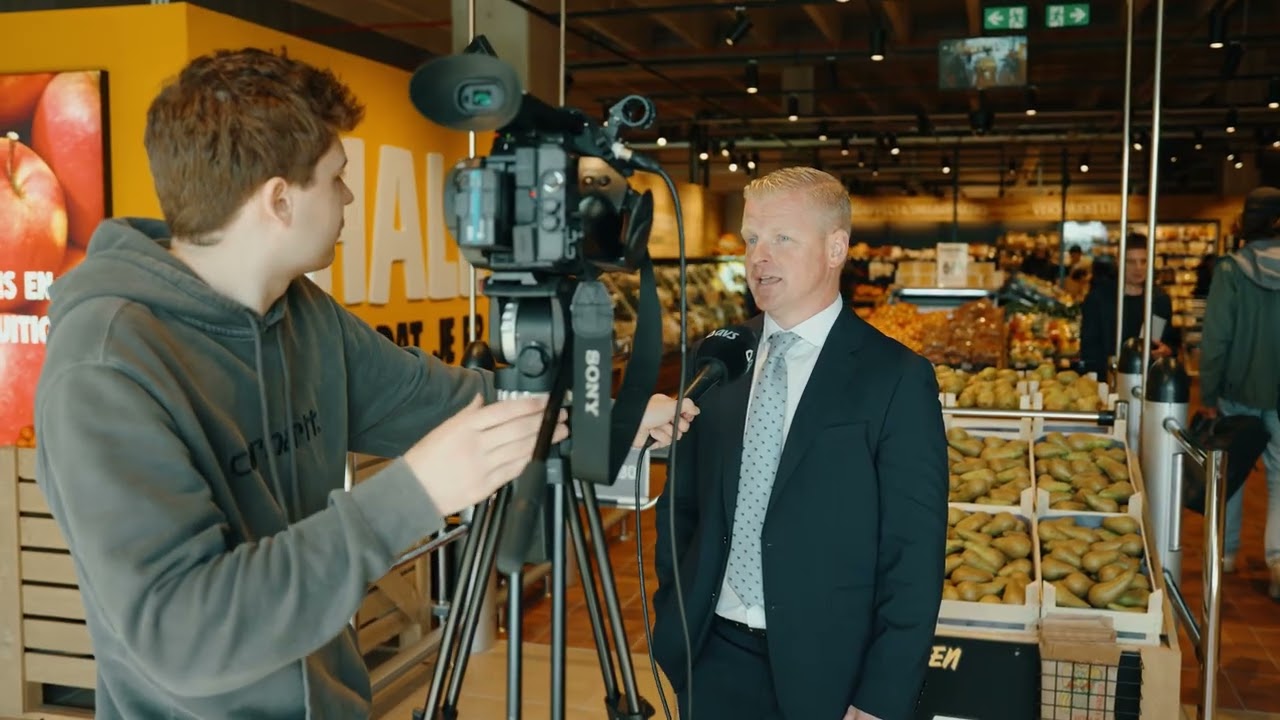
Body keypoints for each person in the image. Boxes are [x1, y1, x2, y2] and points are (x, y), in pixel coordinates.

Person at [33, 47, 692, 719]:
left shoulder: (302, 314)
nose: (348, 196)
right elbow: (185, 634)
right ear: (280, 200)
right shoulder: (106, 367)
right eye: (336, 178)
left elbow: (449, 403)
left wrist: (608, 415)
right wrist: (417, 492)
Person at [650, 167, 949, 720]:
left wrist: (882, 694)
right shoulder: (718, 358)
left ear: (836, 247)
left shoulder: (895, 377)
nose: (759, 257)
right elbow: (682, 505)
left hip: (831, 674)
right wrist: (676, 610)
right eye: (752, 239)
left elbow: (913, 553)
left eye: (782, 238)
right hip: (710, 655)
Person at [1199, 186, 1280, 593]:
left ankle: (1225, 555)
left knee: (1229, 472)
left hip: (1237, 389)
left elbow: (1215, 339)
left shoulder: (1230, 271)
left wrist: (1208, 393)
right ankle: (1279, 559)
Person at [1077, 233, 1179, 377]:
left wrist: (1167, 351)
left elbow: (1170, 342)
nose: (1138, 268)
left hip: (1148, 382)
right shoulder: (1098, 299)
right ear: (1119, 262)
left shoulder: (1160, 300)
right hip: (1108, 381)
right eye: (1131, 262)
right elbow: (1089, 349)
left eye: (1143, 261)